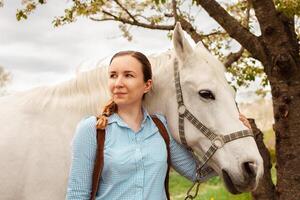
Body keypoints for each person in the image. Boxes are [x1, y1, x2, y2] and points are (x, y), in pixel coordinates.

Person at [66, 50, 251, 200]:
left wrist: (241, 138)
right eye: (113, 75)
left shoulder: (160, 127)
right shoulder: (92, 130)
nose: (118, 83)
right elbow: (77, 195)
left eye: (128, 75)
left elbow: (197, 172)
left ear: (147, 85)